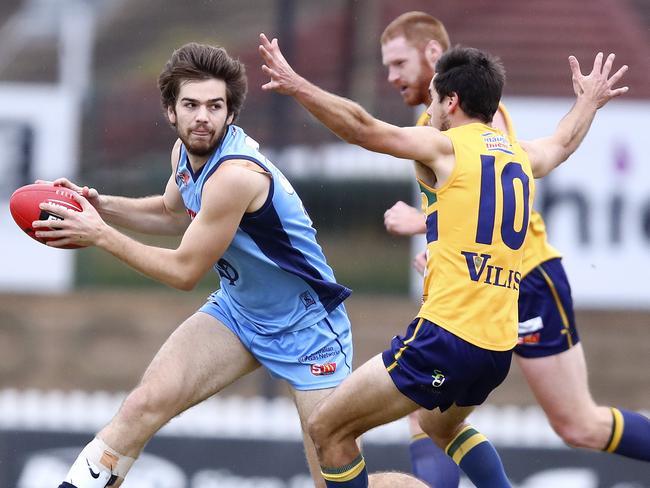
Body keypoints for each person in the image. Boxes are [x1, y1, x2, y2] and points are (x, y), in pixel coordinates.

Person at [259, 30, 628, 488]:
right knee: (439, 425)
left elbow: (362, 127)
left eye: (432, 100)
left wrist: (298, 85)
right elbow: (563, 142)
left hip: (447, 338)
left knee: (327, 429)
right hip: (496, 349)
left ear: (451, 101)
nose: (428, 111)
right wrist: (588, 102)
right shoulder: (519, 153)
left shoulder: (446, 147)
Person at [33, 42, 354, 488]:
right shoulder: (184, 155)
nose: (203, 116)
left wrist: (99, 235)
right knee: (142, 406)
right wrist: (98, 205)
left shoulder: (235, 175)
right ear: (170, 111)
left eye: (214, 106)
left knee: (331, 477)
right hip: (239, 313)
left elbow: (184, 272)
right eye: (191, 105)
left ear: (231, 114)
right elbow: (169, 212)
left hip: (308, 329)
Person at [379, 12, 650, 488]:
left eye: (398, 62)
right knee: (427, 413)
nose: (392, 76)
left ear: (431, 56)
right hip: (480, 280)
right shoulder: (431, 123)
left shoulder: (481, 119)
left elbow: (499, 197)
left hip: (523, 276)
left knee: (578, 424)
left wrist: (425, 223)